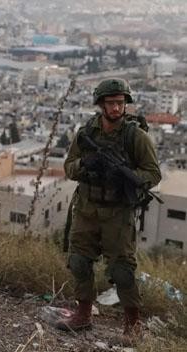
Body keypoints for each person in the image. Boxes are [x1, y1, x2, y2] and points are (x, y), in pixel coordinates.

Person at [60, 78, 161, 335]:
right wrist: (86, 164)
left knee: (122, 270)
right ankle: (83, 313)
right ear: (101, 104)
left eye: (120, 103)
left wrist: (129, 177)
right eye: (110, 103)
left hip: (118, 212)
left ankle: (132, 324)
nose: (116, 108)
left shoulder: (135, 136)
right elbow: (69, 167)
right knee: (80, 261)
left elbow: (153, 173)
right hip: (87, 207)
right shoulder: (86, 134)